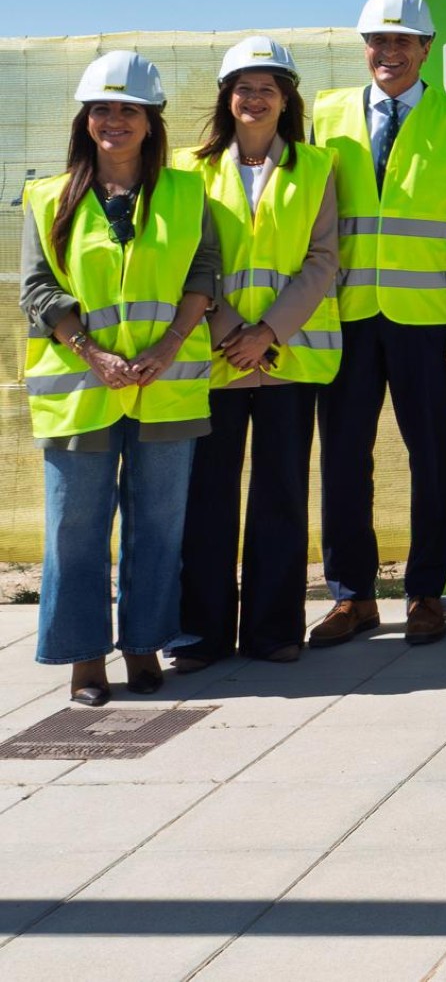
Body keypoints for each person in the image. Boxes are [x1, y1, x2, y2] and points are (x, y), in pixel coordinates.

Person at [19, 51, 218, 705]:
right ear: (85, 119)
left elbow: (203, 278)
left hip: (167, 385)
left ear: (151, 119)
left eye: (128, 108)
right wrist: (90, 351)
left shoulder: (188, 193)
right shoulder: (49, 196)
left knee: (158, 526)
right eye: (102, 108)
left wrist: (167, 346)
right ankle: (84, 660)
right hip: (82, 391)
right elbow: (37, 288)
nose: (114, 120)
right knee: (76, 528)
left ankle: (143, 643)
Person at [311, 0, 446, 648]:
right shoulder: (324, 114)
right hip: (347, 316)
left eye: (402, 41)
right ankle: (352, 595)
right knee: (342, 460)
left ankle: (425, 593)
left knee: (431, 458)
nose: (389, 52)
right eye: (378, 41)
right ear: (365, 47)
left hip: (430, 320)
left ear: (426, 49)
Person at [171, 38, 341, 671]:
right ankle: (199, 635)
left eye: (269, 86)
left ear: (287, 98)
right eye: (243, 86)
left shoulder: (317, 167)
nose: (255, 97)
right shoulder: (188, 169)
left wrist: (266, 332)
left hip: (286, 360)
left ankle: (273, 631)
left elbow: (323, 261)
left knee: (280, 499)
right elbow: (182, 261)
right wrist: (229, 331)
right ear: (226, 96)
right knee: (206, 503)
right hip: (212, 361)